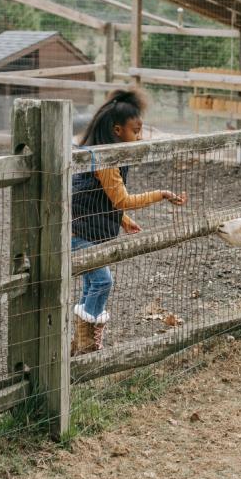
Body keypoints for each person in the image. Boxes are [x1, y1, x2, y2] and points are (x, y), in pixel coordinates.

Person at [71, 88, 187, 356]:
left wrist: (122, 220)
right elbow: (121, 198)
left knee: (92, 283)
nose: (140, 136)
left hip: (90, 228)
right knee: (102, 282)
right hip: (81, 231)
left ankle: (81, 343)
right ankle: (88, 344)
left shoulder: (108, 155)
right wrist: (160, 194)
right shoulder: (106, 159)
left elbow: (102, 198)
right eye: (136, 130)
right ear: (116, 130)